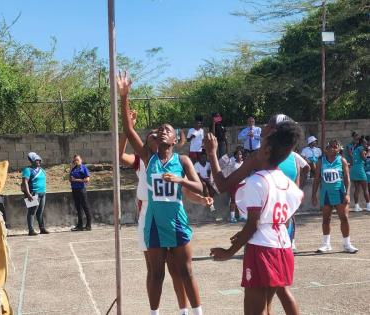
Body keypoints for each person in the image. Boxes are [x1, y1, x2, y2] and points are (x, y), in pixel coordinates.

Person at [117, 71, 204, 315]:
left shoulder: (183, 160)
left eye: (168, 129)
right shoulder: (148, 158)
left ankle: (195, 312)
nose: (163, 130)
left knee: (185, 271)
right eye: (160, 129)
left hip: (177, 220)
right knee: (156, 274)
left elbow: (200, 188)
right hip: (154, 222)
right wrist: (124, 97)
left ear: (175, 139)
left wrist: (181, 180)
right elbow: (127, 128)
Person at [209, 121, 303, 315]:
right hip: (283, 246)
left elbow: (254, 224)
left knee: (254, 310)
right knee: (274, 299)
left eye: (263, 142)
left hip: (261, 249)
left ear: (267, 151)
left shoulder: (255, 182)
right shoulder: (290, 185)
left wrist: (229, 252)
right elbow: (278, 221)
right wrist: (247, 233)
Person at [311, 139, 358, 253]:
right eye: (330, 147)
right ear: (326, 149)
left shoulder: (342, 160)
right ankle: (326, 244)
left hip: (339, 192)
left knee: (344, 218)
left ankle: (347, 244)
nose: (332, 148)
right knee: (326, 219)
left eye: (335, 146)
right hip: (326, 193)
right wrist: (314, 195)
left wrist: (347, 194)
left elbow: (347, 179)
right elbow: (317, 179)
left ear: (338, 149)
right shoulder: (321, 162)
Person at [21, 152, 49, 236]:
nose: (39, 162)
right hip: (33, 193)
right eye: (37, 160)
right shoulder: (27, 170)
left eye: (40, 160)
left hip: (42, 193)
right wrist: (28, 194)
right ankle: (31, 230)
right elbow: (25, 182)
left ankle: (42, 228)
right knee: (32, 211)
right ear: (32, 161)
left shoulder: (43, 171)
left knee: (40, 212)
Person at [217, 148, 244, 223]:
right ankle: (232, 217)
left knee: (241, 201)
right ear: (235, 156)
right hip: (234, 184)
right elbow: (228, 173)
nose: (239, 155)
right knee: (233, 200)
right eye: (237, 154)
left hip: (243, 184)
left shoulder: (244, 163)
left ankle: (242, 216)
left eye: (240, 154)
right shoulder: (232, 164)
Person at [70, 154, 92, 231]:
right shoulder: (73, 169)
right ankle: (80, 225)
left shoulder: (84, 168)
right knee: (78, 208)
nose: (76, 161)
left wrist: (76, 180)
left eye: (77, 160)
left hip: (81, 189)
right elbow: (71, 179)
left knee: (85, 207)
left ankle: (88, 225)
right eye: (75, 160)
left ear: (81, 160)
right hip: (74, 190)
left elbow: (87, 179)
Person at [350, 136, 370, 212]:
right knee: (365, 189)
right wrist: (367, 152)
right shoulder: (361, 149)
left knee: (357, 189)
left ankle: (356, 206)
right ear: (362, 143)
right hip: (359, 169)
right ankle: (368, 206)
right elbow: (364, 159)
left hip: (354, 169)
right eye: (365, 143)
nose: (366, 144)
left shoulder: (355, 149)